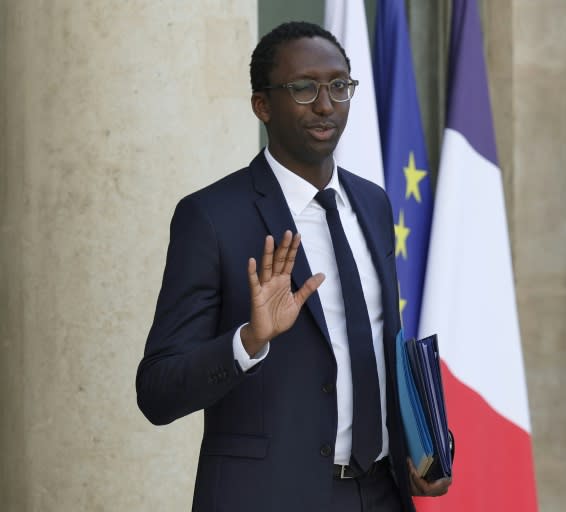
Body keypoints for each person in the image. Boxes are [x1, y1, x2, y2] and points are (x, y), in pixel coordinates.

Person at [136, 21, 451, 512]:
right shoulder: (212, 217)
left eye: (338, 86)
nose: (325, 104)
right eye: (303, 88)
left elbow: (376, 345)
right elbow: (156, 391)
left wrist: (420, 447)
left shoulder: (373, 204)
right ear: (262, 105)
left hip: (382, 493)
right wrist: (249, 341)